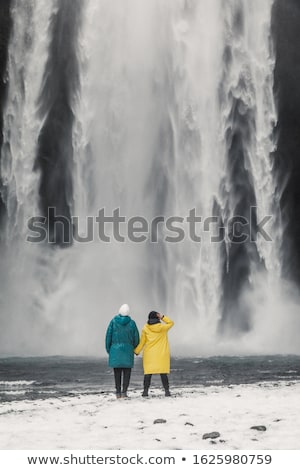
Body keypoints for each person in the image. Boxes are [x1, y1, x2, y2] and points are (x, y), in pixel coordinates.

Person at [134, 311, 174, 397]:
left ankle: (145, 391)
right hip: (161, 353)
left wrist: (137, 351)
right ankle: (167, 391)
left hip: (150, 354)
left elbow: (142, 342)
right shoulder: (163, 328)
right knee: (163, 373)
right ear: (157, 318)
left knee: (148, 374)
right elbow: (171, 322)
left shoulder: (145, 328)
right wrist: (162, 317)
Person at [105, 304, 139, 398]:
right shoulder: (132, 323)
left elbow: (108, 336)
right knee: (127, 372)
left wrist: (109, 349)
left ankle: (118, 392)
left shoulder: (113, 322)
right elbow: (136, 338)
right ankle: (124, 392)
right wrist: (134, 347)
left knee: (117, 373)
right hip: (128, 350)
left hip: (115, 350)